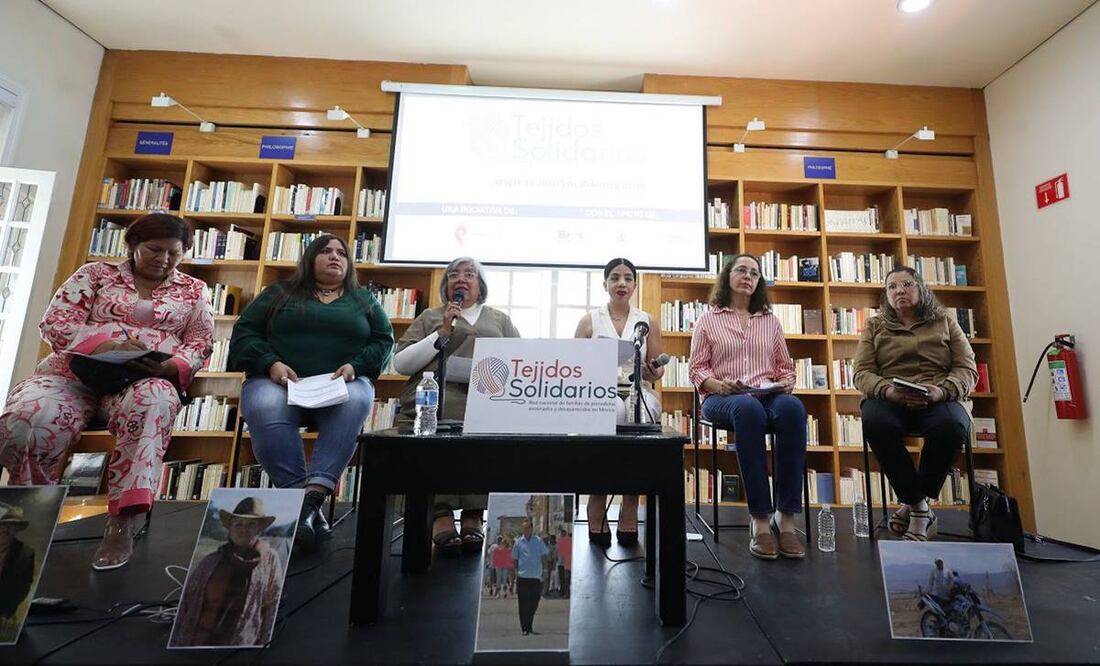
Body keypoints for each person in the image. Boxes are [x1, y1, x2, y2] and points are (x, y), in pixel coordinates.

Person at [0, 213, 213, 570]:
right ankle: (31, 515)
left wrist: (171, 366)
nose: (163, 260)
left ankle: (123, 521)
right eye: (154, 250)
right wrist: (100, 344)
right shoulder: (95, 275)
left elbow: (201, 340)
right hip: (72, 374)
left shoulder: (193, 290)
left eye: (173, 253)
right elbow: (55, 321)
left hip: (142, 378)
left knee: (155, 401)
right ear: (131, 246)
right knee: (27, 418)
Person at [230, 235, 393, 549]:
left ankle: (307, 501)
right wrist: (270, 362)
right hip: (279, 382)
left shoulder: (363, 299)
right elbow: (245, 332)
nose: (335, 257)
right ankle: (304, 507)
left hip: (340, 383)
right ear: (309, 258)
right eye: (326, 251)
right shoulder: (279, 293)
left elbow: (383, 342)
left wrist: (355, 366)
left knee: (358, 398)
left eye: (341, 253)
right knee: (264, 404)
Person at [392, 257, 520, 557]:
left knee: (490, 425)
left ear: (481, 284)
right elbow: (401, 364)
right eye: (453, 275)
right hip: (437, 396)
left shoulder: (499, 319)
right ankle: (441, 513)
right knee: (445, 414)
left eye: (469, 274)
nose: (460, 279)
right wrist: (441, 333)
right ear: (446, 285)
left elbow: (520, 360)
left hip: (487, 396)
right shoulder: (431, 316)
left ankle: (475, 513)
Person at [688, 254, 807, 560]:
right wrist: (718, 384)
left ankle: (787, 517)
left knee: (793, 408)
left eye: (754, 273)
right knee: (748, 410)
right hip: (721, 398)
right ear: (727, 276)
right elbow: (697, 369)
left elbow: (785, 367)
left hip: (766, 393)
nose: (748, 276)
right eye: (741, 269)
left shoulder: (770, 321)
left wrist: (785, 383)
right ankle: (761, 520)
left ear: (759, 283)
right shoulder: (708, 320)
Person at [854, 266, 977, 541]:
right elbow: (861, 373)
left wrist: (941, 391)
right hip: (891, 397)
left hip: (937, 394)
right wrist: (886, 391)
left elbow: (967, 370)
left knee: (952, 426)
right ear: (886, 295)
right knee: (875, 423)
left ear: (920, 288)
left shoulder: (945, 320)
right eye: (892, 287)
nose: (900, 291)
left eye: (907, 284)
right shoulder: (875, 325)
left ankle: (912, 504)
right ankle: (920, 507)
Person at [574, 257, 664, 548]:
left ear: (635, 284)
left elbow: (658, 368)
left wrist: (654, 369)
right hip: (601, 391)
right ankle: (597, 500)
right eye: (615, 277)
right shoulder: (590, 320)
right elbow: (574, 365)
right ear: (605, 284)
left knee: (642, 413)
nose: (621, 283)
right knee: (609, 412)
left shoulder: (647, 320)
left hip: (639, 388)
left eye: (627, 278)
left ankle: (630, 503)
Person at [171, 497, 284, 647]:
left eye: (251, 524)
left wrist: (264, 647)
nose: (244, 530)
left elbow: (273, 606)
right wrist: (175, 644)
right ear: (229, 528)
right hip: (196, 643)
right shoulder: (210, 561)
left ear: (259, 529)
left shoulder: (270, 559)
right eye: (238, 524)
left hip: (240, 648)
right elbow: (186, 602)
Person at [513, 520, 549, 636]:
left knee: (534, 603)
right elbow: (515, 559)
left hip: (535, 578)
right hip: (522, 577)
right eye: (524, 528)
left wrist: (544, 570)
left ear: (532, 529)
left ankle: (529, 624)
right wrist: (515, 573)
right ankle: (525, 628)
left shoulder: (538, 541)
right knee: (523, 604)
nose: (526, 530)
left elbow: (544, 556)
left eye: (528, 528)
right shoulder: (518, 542)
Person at [0, 505, 35, 619]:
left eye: (12, 526)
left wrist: (7, 610)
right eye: (3, 524)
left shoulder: (26, 554)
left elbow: (24, 586)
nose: (5, 529)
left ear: (18, 529)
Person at [556, 528, 571, 598]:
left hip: (566, 564)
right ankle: (562, 592)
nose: (563, 536)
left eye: (564, 535)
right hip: (560, 564)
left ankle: (566, 593)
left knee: (566, 579)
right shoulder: (559, 542)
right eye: (562, 535)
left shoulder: (568, 542)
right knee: (562, 579)